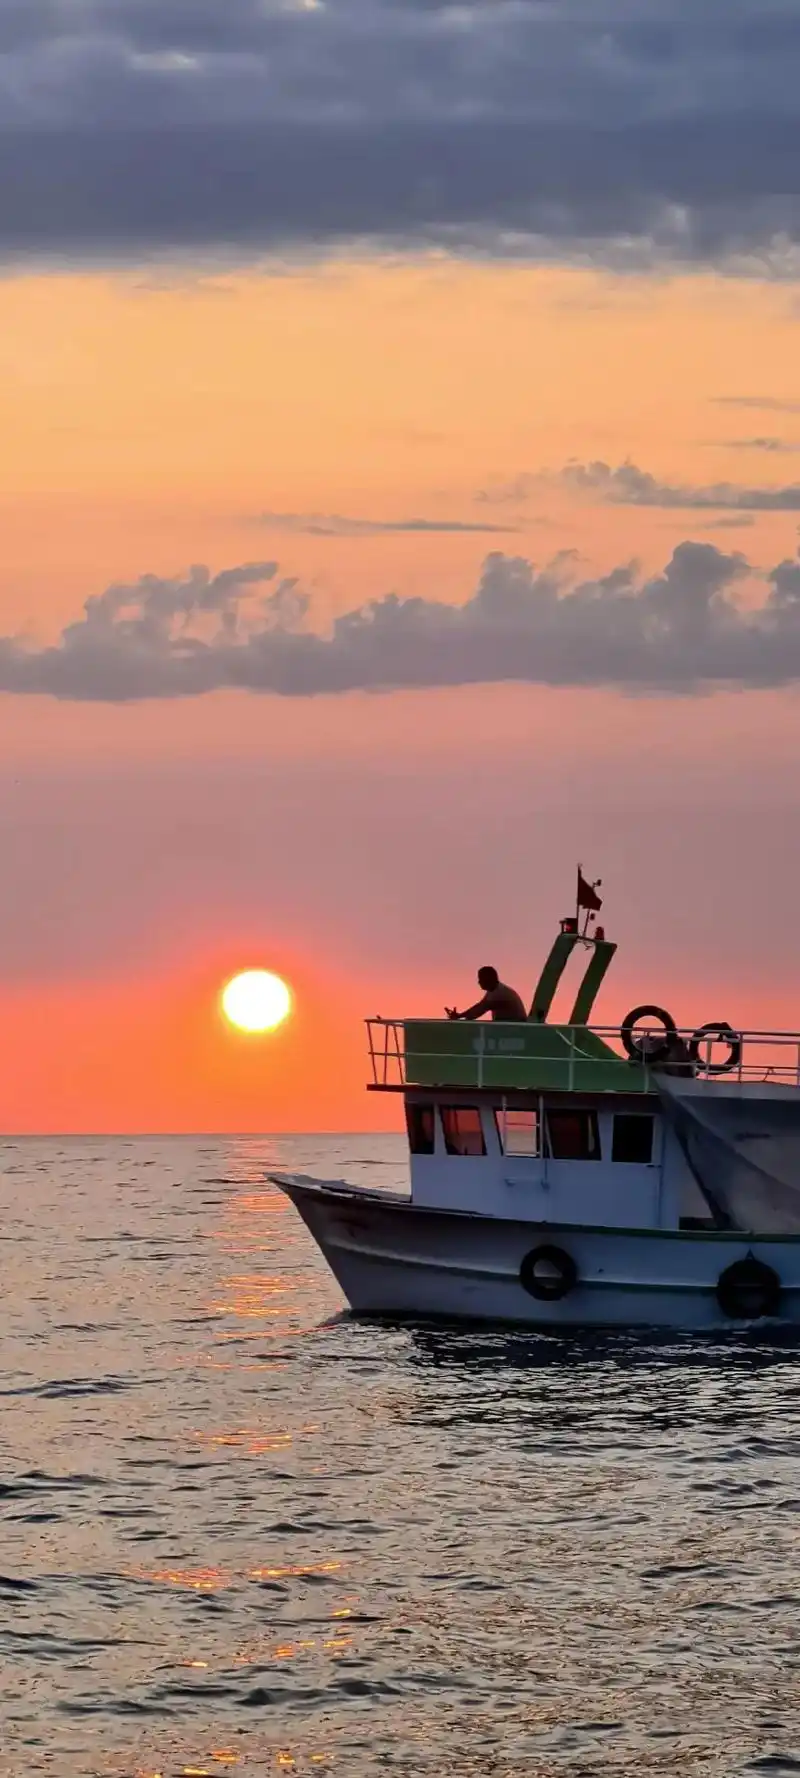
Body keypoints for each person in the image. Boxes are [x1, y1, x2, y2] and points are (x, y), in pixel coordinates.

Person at [446, 966, 527, 1023]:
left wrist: (459, 1018)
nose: (479, 982)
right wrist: (460, 1015)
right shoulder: (493, 991)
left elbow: (481, 1009)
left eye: (481, 979)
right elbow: (480, 1005)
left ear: (489, 979)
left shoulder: (501, 993)